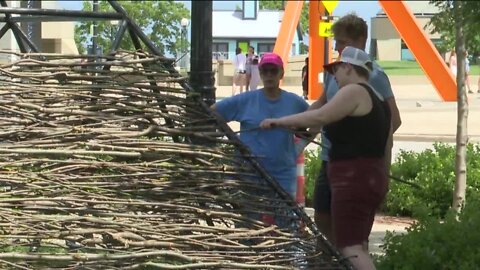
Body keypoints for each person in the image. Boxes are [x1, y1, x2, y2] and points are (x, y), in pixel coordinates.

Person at [260, 46, 391, 270]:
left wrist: (278, 121)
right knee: (358, 243)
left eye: (336, 70)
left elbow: (321, 115)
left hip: (353, 178)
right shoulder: (377, 97)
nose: (334, 77)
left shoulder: (354, 91)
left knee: (350, 248)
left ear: (348, 67)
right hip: (370, 176)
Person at [308, 13, 401, 248]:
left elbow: (393, 119)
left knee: (354, 233)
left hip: (357, 167)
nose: (337, 47)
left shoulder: (374, 75)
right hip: (329, 160)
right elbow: (322, 106)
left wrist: (362, 143)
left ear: (360, 40)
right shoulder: (336, 72)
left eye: (342, 41)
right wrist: (299, 128)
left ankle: (349, 259)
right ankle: (336, 261)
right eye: (336, 42)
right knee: (321, 217)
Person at [212, 52, 309, 203]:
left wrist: (301, 145)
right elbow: (212, 112)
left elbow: (317, 120)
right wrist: (232, 141)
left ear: (281, 73)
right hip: (251, 172)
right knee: (250, 219)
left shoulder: (294, 102)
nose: (269, 75)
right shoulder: (246, 100)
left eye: (273, 71)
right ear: (260, 73)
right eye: (265, 71)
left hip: (283, 173)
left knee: (286, 221)